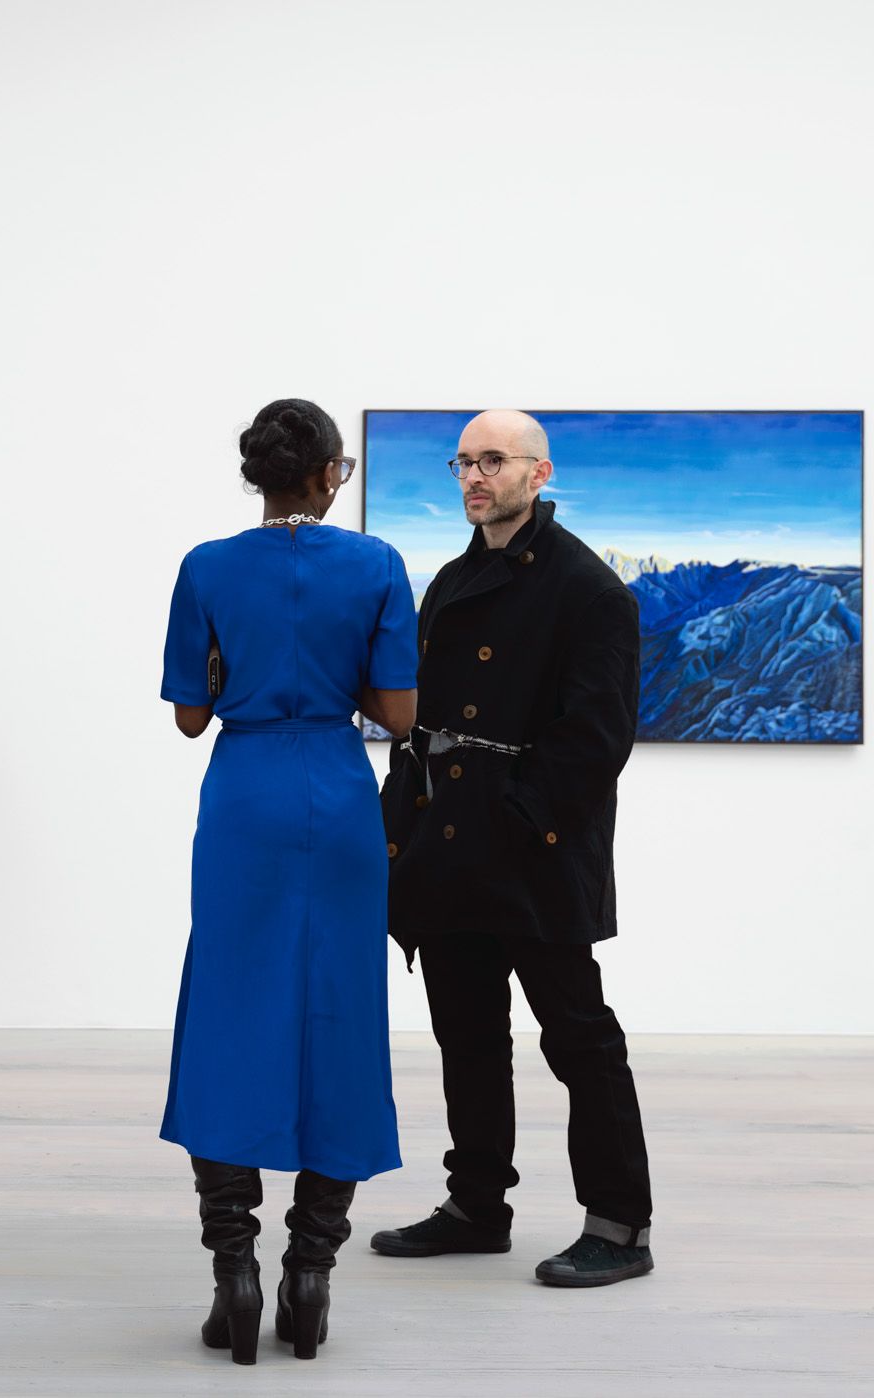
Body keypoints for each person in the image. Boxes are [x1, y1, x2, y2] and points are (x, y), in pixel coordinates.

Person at [159, 399, 418, 1364]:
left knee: (229, 1014)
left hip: (245, 796)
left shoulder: (206, 567)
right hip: (340, 800)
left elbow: (191, 715)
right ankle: (311, 1275)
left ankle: (234, 1272)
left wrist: (237, 670)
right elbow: (398, 713)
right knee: (338, 1016)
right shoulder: (378, 564)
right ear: (324, 474)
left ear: (259, 475)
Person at [371, 408, 655, 1288]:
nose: (474, 477)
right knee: (467, 1038)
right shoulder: (453, 581)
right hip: (449, 844)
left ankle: (619, 1225)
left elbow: (596, 740)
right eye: (463, 462)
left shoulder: (590, 590)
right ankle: (476, 1207)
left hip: (536, 852)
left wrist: (521, 816)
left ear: (539, 473)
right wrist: (400, 824)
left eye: (492, 461)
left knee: (579, 1041)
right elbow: (419, 722)